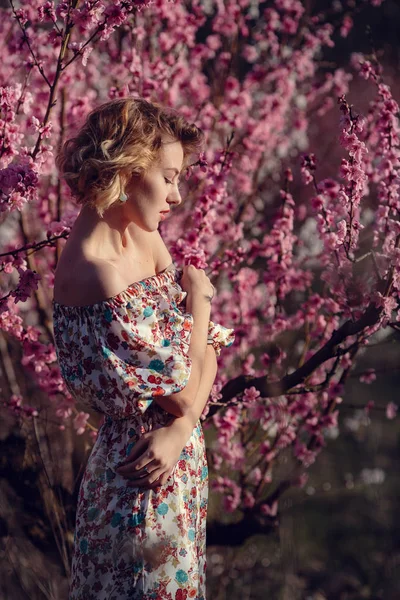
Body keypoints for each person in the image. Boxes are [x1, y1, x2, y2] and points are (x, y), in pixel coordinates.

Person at [52, 97, 234, 600]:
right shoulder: (98, 273)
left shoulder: (143, 240)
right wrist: (199, 301)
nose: (177, 195)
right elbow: (183, 385)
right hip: (137, 493)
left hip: (173, 467)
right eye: (170, 176)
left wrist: (179, 432)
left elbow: (208, 355)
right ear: (130, 170)